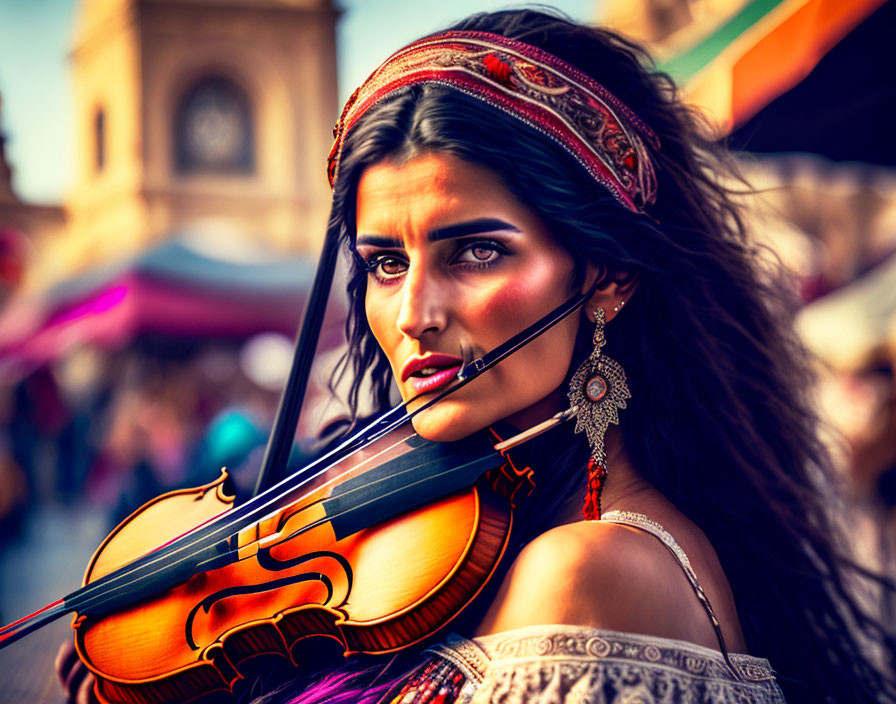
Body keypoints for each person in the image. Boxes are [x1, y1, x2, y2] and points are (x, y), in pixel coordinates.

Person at [58, 8, 894, 704]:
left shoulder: (591, 571)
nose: (413, 314)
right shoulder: (478, 525)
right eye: (386, 262)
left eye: (477, 253)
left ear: (606, 276)